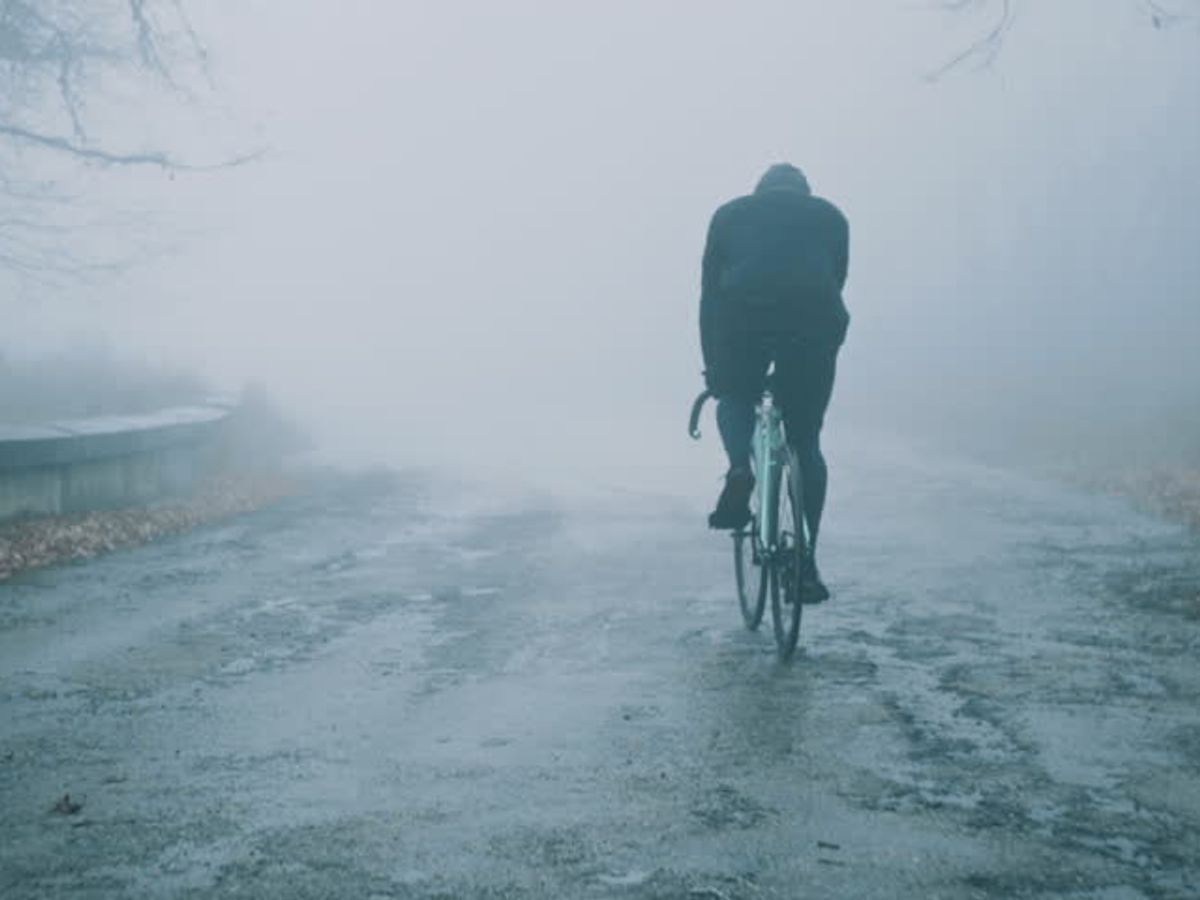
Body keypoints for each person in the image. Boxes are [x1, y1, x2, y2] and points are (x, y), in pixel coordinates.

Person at [698, 163, 849, 600]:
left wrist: (715, 369)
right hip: (812, 325)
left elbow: (709, 297)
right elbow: (835, 281)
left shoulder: (729, 215)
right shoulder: (831, 217)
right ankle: (805, 560)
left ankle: (740, 469)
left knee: (736, 396)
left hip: (742, 321)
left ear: (758, 192)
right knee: (806, 441)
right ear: (805, 193)